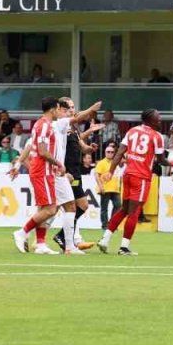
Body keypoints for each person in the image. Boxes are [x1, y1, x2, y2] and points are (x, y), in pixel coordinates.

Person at [99, 108, 165, 255]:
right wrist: (172, 163)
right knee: (134, 212)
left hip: (127, 174)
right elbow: (162, 160)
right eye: (158, 117)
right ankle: (123, 248)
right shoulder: (157, 136)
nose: (160, 120)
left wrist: (111, 171)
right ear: (151, 120)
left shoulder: (132, 131)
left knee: (124, 209)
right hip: (141, 177)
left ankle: (105, 239)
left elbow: (119, 152)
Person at [9, 98, 67, 254]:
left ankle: (40, 243)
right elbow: (41, 150)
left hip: (44, 170)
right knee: (51, 209)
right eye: (58, 109)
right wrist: (58, 163)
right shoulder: (43, 126)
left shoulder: (42, 125)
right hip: (42, 171)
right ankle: (22, 232)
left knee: (43, 207)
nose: (59, 112)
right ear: (53, 109)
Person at [50, 98, 103, 252]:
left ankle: (59, 239)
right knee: (74, 206)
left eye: (73, 107)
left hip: (75, 172)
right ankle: (65, 240)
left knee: (61, 208)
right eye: (69, 107)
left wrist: (90, 149)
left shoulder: (72, 127)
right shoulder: (60, 125)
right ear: (61, 109)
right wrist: (92, 108)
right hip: (67, 172)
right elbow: (79, 117)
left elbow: (82, 147)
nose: (72, 109)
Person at [93, 142, 122, 228]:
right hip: (105, 188)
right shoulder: (101, 163)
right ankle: (105, 225)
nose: (110, 153)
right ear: (105, 153)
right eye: (108, 152)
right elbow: (96, 175)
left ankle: (111, 223)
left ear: (114, 153)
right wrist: (100, 186)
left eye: (112, 152)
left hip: (115, 188)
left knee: (118, 205)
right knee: (104, 208)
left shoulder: (115, 163)